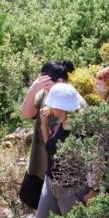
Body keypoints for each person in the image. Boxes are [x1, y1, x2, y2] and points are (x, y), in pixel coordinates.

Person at [31, 83, 89, 218]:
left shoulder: (81, 128)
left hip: (71, 188)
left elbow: (96, 160)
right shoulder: (58, 121)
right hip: (51, 183)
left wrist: (93, 190)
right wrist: (43, 125)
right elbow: (52, 148)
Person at [19, 61, 85, 210]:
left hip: (63, 172)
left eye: (46, 82)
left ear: (60, 82)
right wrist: (33, 89)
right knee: (28, 194)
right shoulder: (44, 94)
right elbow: (26, 113)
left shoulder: (76, 104)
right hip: (41, 161)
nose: (43, 87)